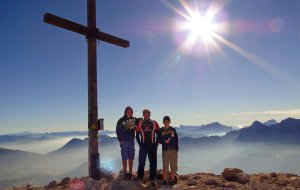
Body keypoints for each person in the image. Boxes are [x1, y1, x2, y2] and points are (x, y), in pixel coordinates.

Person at [136, 109, 160, 185]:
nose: (146, 115)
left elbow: (158, 134)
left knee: (153, 162)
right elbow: (137, 136)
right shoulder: (140, 123)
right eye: (144, 113)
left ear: (150, 114)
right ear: (143, 115)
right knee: (141, 162)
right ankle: (140, 177)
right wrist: (140, 144)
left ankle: (152, 179)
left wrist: (156, 144)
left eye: (147, 113)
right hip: (143, 146)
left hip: (152, 145)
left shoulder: (154, 122)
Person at [116, 106, 136, 180]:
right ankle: (125, 173)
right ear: (125, 112)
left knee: (131, 157)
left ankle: (130, 173)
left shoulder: (133, 120)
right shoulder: (121, 120)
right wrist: (120, 140)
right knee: (124, 157)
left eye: (131, 111)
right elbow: (118, 131)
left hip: (131, 141)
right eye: (128, 111)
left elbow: (140, 121)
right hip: (124, 141)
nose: (129, 112)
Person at [157, 116, 179, 186]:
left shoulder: (173, 129)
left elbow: (176, 139)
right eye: (165, 121)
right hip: (165, 150)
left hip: (173, 150)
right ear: (163, 122)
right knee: (165, 166)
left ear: (169, 122)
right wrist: (164, 141)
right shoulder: (160, 130)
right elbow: (158, 140)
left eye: (167, 121)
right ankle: (165, 180)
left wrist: (176, 148)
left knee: (173, 165)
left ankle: (172, 179)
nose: (166, 122)